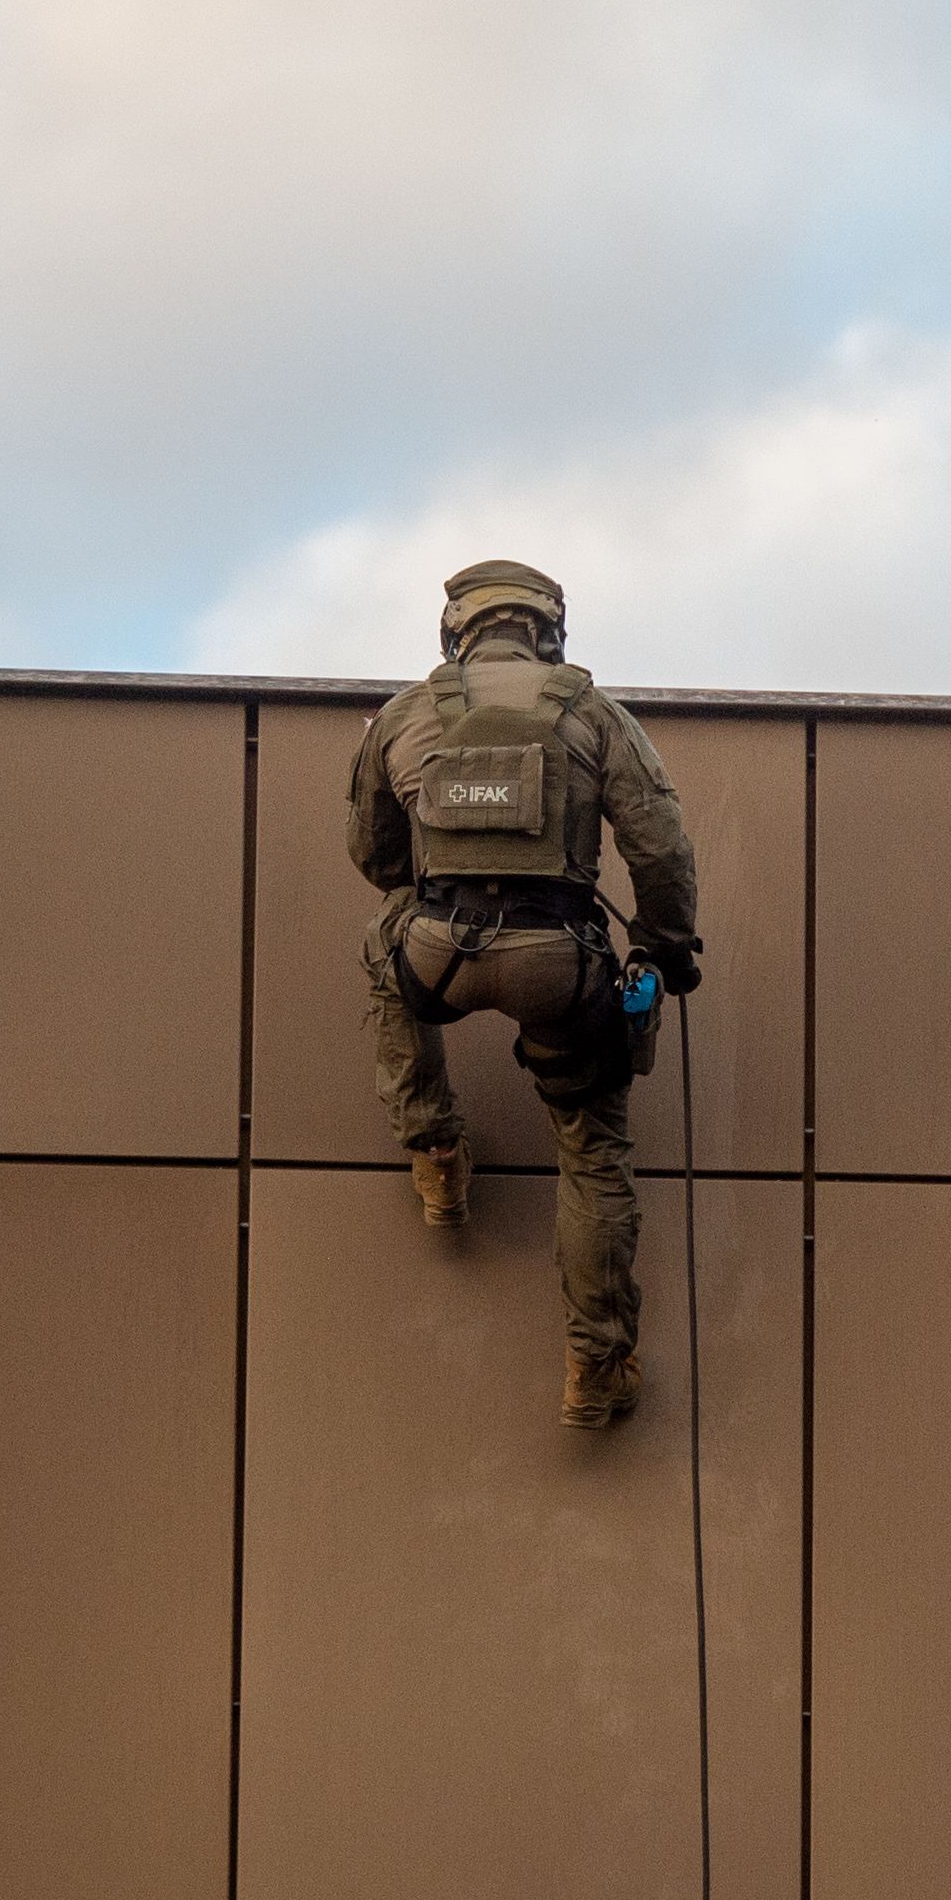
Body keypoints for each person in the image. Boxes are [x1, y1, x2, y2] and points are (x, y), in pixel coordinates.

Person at [348, 559, 704, 1426]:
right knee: (590, 1148)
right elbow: (661, 850)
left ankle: (435, 1151)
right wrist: (660, 951)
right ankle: (596, 1364)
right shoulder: (591, 712)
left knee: (383, 935)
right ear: (550, 631)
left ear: (456, 632)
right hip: (562, 964)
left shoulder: (404, 715)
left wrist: (436, 887)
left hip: (439, 954)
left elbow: (374, 855)